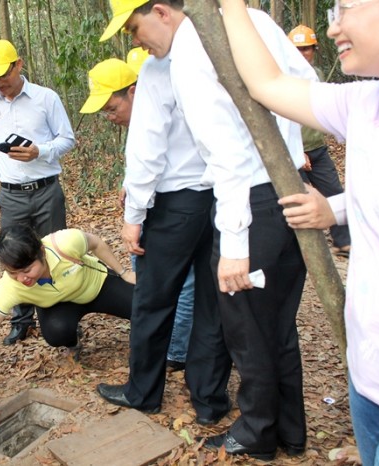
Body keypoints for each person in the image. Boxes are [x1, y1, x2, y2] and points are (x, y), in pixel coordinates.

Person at [100, 0, 316, 460]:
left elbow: (226, 156)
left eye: (136, 29)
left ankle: (258, 431)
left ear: (161, 12)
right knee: (276, 323)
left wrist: (234, 241)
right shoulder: (248, 22)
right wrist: (290, 151)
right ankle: (288, 431)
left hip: (246, 199)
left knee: (246, 326)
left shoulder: (190, 57)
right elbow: (306, 86)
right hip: (287, 188)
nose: (136, 42)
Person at [220, 2, 379, 465]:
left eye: (346, 7)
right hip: (370, 379)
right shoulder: (368, 104)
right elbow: (266, 84)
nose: (332, 27)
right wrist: (336, 207)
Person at [95, 14, 225, 423]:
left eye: (134, 28)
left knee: (152, 302)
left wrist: (134, 214)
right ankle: (208, 400)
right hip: (213, 197)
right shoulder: (207, 52)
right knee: (209, 301)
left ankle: (143, 392)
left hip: (172, 205)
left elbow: (148, 150)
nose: (139, 40)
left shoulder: (154, 71)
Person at [80, 56, 195, 373]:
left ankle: (176, 351)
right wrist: (128, 184)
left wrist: (134, 217)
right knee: (152, 282)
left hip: (167, 210)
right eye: (104, 112)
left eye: (112, 108)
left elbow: (155, 164)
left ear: (133, 91)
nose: (109, 117)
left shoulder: (162, 111)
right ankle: (166, 344)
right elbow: (141, 165)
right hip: (154, 208)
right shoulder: (143, 116)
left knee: (182, 285)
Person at [0, 225, 135, 435]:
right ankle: (72, 339)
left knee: (141, 307)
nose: (21, 279)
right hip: (59, 305)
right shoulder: (10, 286)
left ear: (41, 252)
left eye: (27, 270)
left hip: (96, 285)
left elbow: (97, 243)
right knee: (56, 333)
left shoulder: (64, 243)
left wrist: (124, 272)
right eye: (12, 272)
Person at [0, 39, 76, 346]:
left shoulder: (45, 98)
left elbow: (67, 139)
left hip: (46, 191)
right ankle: (21, 320)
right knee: (14, 256)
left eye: (3, 74)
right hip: (10, 195)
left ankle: (60, 313)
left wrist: (40, 151)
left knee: (54, 252)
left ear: (19, 65)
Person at [287, 24, 351, 257]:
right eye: (297, 49)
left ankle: (343, 243)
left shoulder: (317, 75)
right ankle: (303, 251)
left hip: (318, 148)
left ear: (315, 49)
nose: (302, 54)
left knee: (334, 191)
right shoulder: (283, 77)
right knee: (298, 199)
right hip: (294, 152)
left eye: (307, 49)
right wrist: (296, 150)